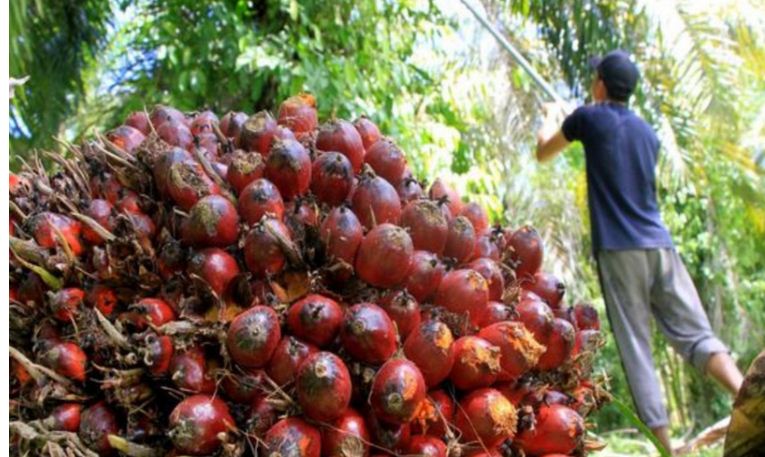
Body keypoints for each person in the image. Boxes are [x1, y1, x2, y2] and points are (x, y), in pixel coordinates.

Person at [535, 50, 744, 454]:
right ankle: (747, 395)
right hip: (661, 247)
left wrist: (551, 115)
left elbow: (544, 151)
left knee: (636, 347)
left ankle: (666, 448)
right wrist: (577, 116)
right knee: (696, 333)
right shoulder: (648, 134)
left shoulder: (587, 117)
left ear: (600, 84)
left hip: (620, 249)